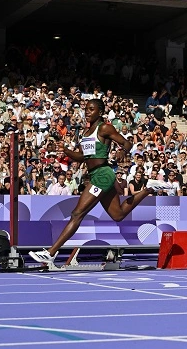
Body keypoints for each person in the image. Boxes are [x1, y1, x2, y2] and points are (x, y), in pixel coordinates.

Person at [29, 99, 172, 264]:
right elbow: (82, 157)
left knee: (77, 213)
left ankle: (51, 252)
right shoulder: (85, 132)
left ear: (100, 112)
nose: (87, 112)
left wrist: (122, 151)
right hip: (96, 175)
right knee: (118, 215)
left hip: (103, 175)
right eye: (86, 109)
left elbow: (127, 142)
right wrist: (66, 151)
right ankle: (147, 189)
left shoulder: (104, 128)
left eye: (91, 109)